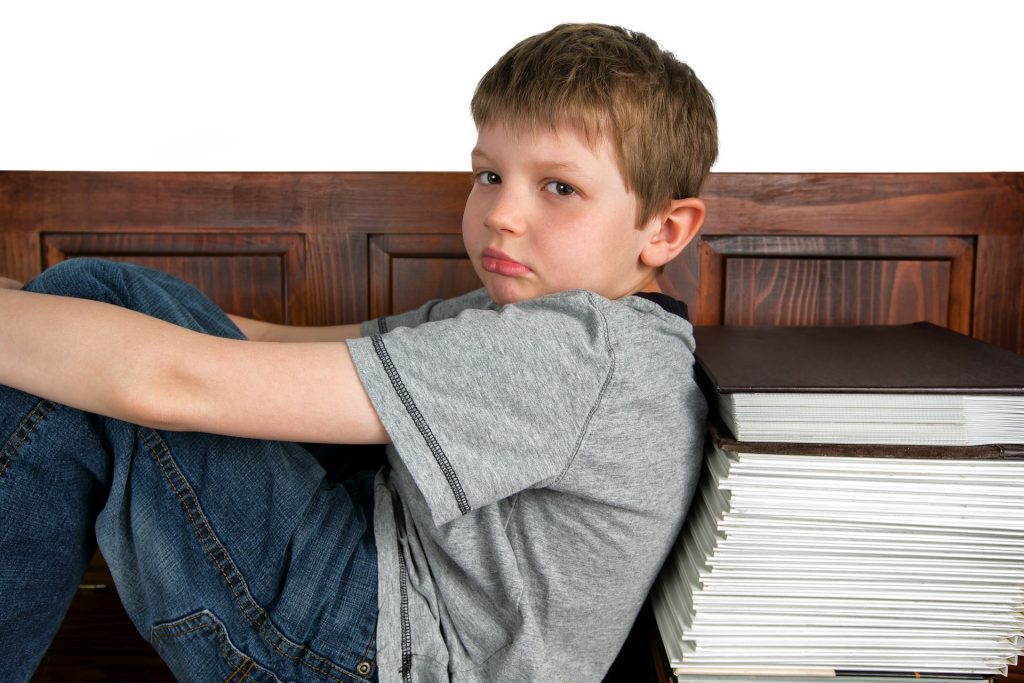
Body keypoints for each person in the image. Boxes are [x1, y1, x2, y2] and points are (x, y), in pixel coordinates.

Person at [0, 22, 716, 683]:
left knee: (85, 339)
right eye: (490, 174)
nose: (501, 212)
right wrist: (34, 303)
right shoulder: (559, 320)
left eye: (559, 187)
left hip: (380, 652)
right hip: (378, 581)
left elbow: (177, 381)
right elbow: (298, 348)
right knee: (93, 303)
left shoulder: (577, 352)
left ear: (665, 227)